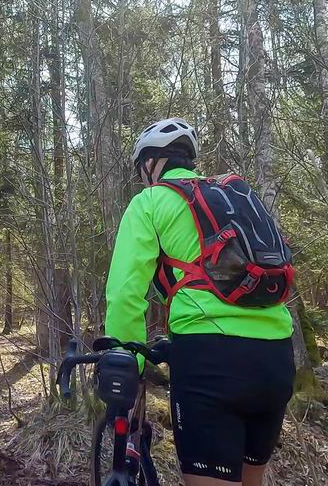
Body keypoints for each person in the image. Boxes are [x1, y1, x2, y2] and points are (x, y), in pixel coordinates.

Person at [105, 118, 295, 486]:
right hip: (276, 359)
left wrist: (130, 361)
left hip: (211, 362)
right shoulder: (235, 196)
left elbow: (124, 295)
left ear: (150, 164)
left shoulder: (150, 201)